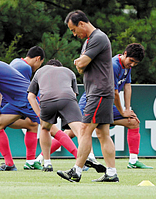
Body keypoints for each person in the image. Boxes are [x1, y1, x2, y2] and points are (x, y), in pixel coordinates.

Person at [57, 10, 118, 182]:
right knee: (102, 133)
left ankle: (76, 171)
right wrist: (81, 63)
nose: (74, 34)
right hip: (99, 92)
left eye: (74, 30)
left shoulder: (98, 38)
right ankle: (111, 173)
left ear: (82, 24)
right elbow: (81, 66)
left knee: (84, 130)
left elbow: (81, 64)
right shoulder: (89, 42)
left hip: (99, 92)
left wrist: (81, 62)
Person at [27, 59, 82, 172]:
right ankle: (85, 160)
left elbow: (30, 96)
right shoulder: (69, 72)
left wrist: (39, 113)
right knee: (80, 131)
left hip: (47, 100)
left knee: (45, 128)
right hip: (68, 99)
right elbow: (74, 94)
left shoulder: (40, 71)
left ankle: (47, 163)